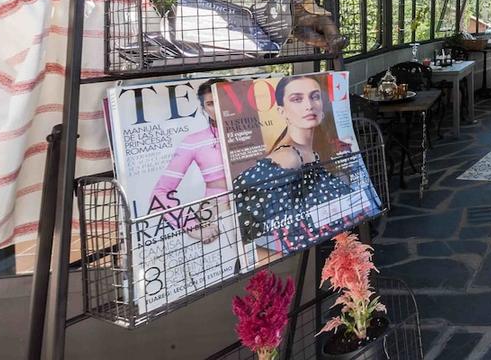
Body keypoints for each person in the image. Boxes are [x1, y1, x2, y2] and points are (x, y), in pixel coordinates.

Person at [232, 75, 365, 262]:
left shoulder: (313, 152)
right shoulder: (288, 156)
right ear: (281, 111)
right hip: (308, 261)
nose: (309, 105)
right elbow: (243, 203)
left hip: (328, 254)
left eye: (315, 96)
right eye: (297, 99)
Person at [149, 78, 228, 244]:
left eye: (224, 98)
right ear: (203, 109)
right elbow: (159, 193)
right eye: (211, 103)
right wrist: (191, 226)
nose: (219, 107)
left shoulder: (260, 129)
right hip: (218, 218)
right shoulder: (193, 141)